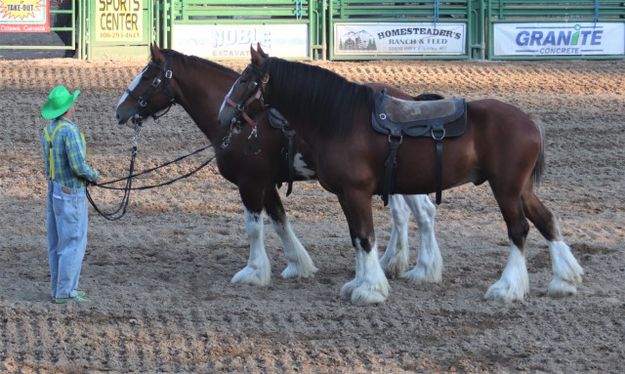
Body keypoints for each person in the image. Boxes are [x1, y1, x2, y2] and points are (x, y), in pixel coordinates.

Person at [41, 85, 98, 304]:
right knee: (74, 241)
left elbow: (48, 165)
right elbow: (78, 165)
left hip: (54, 189)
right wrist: (94, 176)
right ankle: (66, 291)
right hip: (71, 192)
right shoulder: (70, 131)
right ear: (68, 107)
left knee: (56, 241)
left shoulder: (48, 131)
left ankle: (58, 288)